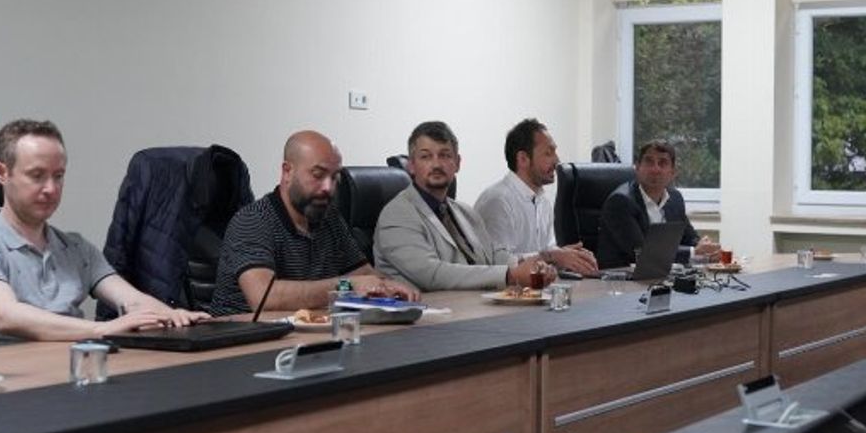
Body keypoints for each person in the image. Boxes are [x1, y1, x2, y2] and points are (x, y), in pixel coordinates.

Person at [0, 119, 208, 349]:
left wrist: (175, 317)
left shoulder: (75, 247)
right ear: (2, 173)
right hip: (6, 378)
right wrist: (102, 329)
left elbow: (132, 300)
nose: (51, 189)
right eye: (37, 175)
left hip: (70, 369)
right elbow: (5, 316)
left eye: (58, 176)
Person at [210, 131, 417, 316]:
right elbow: (264, 297)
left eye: (335, 178)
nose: (328, 187)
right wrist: (347, 286)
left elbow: (363, 275)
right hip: (244, 337)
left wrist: (387, 286)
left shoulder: (329, 217)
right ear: (287, 172)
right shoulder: (253, 220)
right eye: (318, 175)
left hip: (309, 333)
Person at [374, 121, 553, 291]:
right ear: (412, 166)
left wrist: (532, 266)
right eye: (426, 156)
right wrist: (510, 275)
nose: (436, 164)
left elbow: (493, 255)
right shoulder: (397, 214)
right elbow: (432, 274)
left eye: (445, 155)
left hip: (475, 305)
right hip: (427, 309)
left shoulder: (466, 212)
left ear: (457, 163)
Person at [474, 118, 598, 276]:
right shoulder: (497, 201)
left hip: (534, 288)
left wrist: (566, 256)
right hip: (503, 290)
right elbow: (498, 262)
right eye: (548, 153)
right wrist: (553, 256)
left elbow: (545, 252)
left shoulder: (542, 201)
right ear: (523, 159)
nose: (557, 160)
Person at [596, 140, 719, 270]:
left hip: (661, 275)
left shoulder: (675, 199)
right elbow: (642, 252)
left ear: (673, 172)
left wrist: (705, 247)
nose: (655, 169)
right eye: (649, 162)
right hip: (619, 277)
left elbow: (689, 237)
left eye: (663, 163)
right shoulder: (621, 202)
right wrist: (694, 252)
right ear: (637, 168)